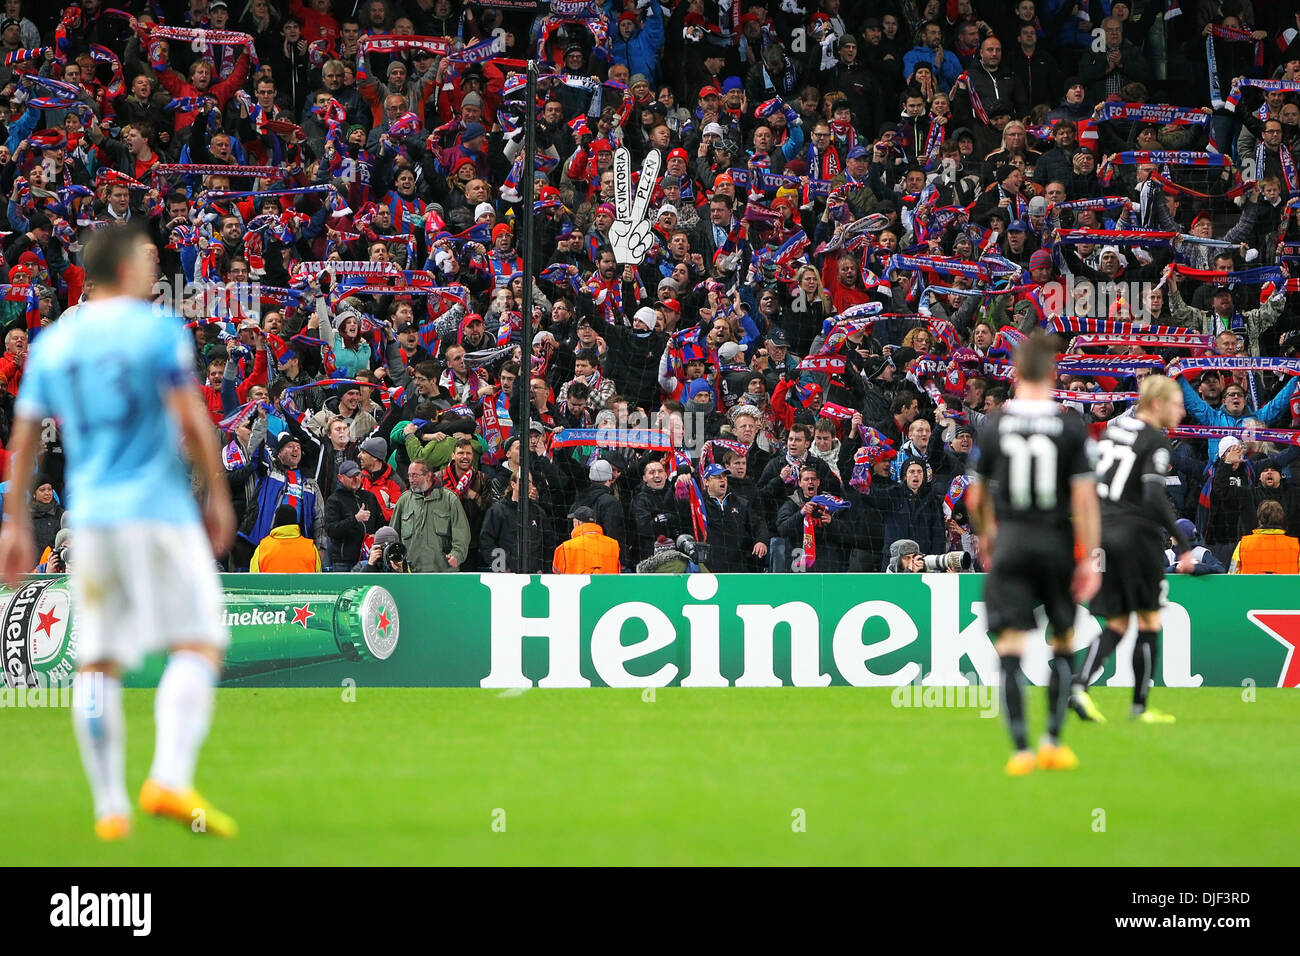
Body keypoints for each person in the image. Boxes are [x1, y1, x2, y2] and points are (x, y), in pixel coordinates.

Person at [0, 223, 238, 840]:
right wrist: (216, 494)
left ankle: (110, 808)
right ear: (126, 268)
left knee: (97, 662)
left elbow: (24, 439)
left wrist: (17, 524)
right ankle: (168, 776)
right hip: (159, 511)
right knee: (199, 641)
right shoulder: (156, 329)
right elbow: (192, 418)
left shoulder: (53, 345)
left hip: (94, 520)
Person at [967, 334, 1100, 776]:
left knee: (1009, 646)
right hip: (1057, 543)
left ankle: (1020, 750)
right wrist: (1089, 556)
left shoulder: (994, 424)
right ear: (1053, 373)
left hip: (1012, 543)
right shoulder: (1070, 427)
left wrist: (987, 538)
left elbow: (975, 496)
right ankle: (1053, 743)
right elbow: (1084, 500)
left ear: (1016, 373)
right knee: (1062, 642)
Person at [1071, 376, 1195, 726]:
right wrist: (1183, 544)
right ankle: (1140, 707)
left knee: (1117, 621)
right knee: (1148, 620)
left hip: (1103, 533)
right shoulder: (1154, 438)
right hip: (1134, 535)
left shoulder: (1115, 429)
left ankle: (1079, 687)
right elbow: (1154, 495)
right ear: (1157, 404)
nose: (1182, 412)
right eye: (1177, 404)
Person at [389, 460, 471, 573]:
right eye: (409, 475)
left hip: (443, 572)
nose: (411, 480)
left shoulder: (449, 499)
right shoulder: (403, 501)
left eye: (415, 475)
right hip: (410, 572)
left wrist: (457, 554)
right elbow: (393, 534)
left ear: (428, 476)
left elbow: (462, 533)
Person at [1229, 500, 1300, 574]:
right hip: (1286, 585)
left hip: (1251, 585)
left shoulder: (1243, 544)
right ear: (1281, 519)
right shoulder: (1295, 545)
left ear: (1259, 519)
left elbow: (1232, 575)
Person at [249, 503, 323, 572]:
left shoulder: (262, 549)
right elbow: (318, 581)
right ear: (295, 522)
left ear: (276, 522)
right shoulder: (311, 548)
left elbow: (254, 581)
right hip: (302, 586)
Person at [552, 505, 620, 574]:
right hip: (607, 584)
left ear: (577, 523)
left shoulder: (565, 547)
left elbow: (558, 573)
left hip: (577, 585)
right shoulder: (613, 544)